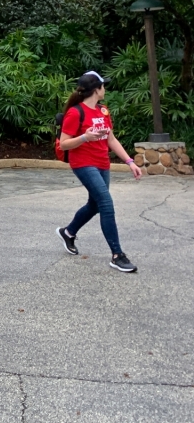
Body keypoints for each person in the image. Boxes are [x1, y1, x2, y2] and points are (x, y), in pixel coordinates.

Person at [56, 71, 143, 272]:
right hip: (83, 163)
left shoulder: (102, 111)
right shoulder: (75, 113)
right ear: (97, 89)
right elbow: (64, 144)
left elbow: (111, 139)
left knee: (94, 205)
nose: (105, 89)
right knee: (105, 202)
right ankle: (117, 255)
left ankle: (68, 232)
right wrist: (85, 138)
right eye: (104, 86)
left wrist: (130, 161)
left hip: (102, 162)